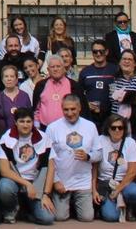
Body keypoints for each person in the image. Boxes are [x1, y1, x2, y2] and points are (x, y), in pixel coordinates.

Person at [43, 94, 101, 222]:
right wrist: (55, 181)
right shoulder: (52, 128)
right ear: (61, 109)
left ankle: (76, 204)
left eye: (73, 109)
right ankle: (67, 204)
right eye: (66, 109)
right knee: (59, 217)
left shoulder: (90, 126)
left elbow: (99, 153)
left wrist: (88, 156)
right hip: (62, 181)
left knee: (87, 217)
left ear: (79, 108)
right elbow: (47, 159)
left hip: (83, 181)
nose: (70, 113)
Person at [0, 108, 54, 225]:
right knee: (4, 186)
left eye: (28, 121)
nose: (25, 125)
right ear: (15, 122)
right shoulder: (6, 138)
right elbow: (4, 171)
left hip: (36, 182)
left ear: (33, 122)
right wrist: (26, 184)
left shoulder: (44, 138)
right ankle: (12, 208)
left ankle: (27, 211)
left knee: (48, 218)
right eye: (22, 121)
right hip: (16, 181)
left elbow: (51, 168)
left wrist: (46, 195)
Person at [92, 113, 136, 221]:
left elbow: (133, 172)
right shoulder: (100, 140)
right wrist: (94, 190)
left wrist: (117, 190)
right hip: (105, 184)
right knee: (111, 217)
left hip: (124, 183)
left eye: (120, 127)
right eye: (113, 127)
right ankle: (110, 206)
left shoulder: (130, 142)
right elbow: (94, 168)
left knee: (134, 193)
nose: (117, 130)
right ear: (108, 129)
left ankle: (129, 206)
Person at [78, 40, 118, 126]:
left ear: (106, 52)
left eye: (101, 51)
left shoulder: (116, 70)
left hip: (111, 116)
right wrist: (86, 104)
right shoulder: (85, 72)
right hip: (90, 117)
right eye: (95, 51)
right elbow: (79, 94)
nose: (98, 54)